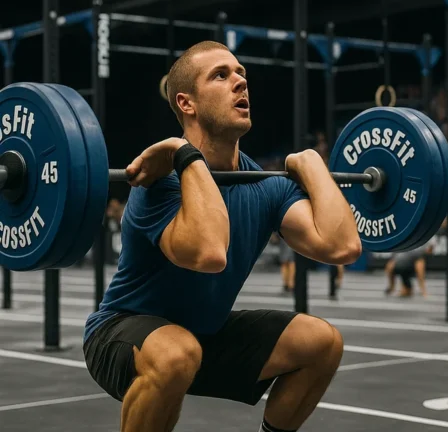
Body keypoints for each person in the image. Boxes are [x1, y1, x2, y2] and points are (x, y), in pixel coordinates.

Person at [82, 41, 362, 432]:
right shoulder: (158, 183)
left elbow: (342, 246)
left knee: (321, 343)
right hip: (122, 332)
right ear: (187, 103)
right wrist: (183, 154)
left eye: (241, 74)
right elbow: (210, 252)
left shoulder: (266, 185)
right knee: (177, 353)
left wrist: (312, 164)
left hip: (205, 336)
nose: (239, 82)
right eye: (221, 75)